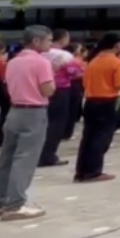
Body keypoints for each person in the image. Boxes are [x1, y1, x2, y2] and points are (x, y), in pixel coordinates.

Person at [0, 26, 56, 221]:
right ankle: (15, 204)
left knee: (5, 158)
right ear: (36, 41)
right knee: (25, 159)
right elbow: (48, 90)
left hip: (14, 110)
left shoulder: (13, 61)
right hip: (34, 111)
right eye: (48, 40)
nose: (50, 44)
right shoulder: (41, 62)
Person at [76, 33, 120, 183]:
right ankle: (93, 171)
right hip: (108, 101)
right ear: (116, 45)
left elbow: (85, 83)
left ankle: (82, 171)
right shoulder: (116, 63)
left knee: (88, 137)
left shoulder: (93, 61)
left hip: (91, 100)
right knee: (101, 138)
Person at [40, 30, 79, 167]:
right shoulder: (65, 55)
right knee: (57, 123)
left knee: (43, 122)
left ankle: (38, 153)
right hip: (60, 90)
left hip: (41, 89)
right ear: (63, 39)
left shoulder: (41, 53)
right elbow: (74, 73)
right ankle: (48, 155)